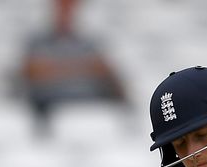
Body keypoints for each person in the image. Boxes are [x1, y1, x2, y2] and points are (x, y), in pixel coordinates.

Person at [18, 0, 126, 131]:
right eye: (62, 6)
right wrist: (84, 67)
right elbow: (32, 72)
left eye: (70, 7)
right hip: (49, 107)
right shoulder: (37, 41)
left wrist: (55, 69)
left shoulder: (90, 42)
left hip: (89, 106)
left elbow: (106, 72)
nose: (66, 12)